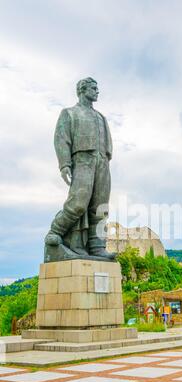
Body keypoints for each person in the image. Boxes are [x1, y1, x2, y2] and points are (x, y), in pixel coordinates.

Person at [45, 77, 115, 260]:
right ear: (83, 90)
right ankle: (56, 230)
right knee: (78, 203)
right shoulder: (70, 113)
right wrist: (65, 164)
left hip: (102, 161)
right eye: (94, 88)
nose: (97, 91)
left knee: (100, 207)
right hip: (82, 159)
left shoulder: (101, 117)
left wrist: (105, 160)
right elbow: (61, 139)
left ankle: (97, 246)